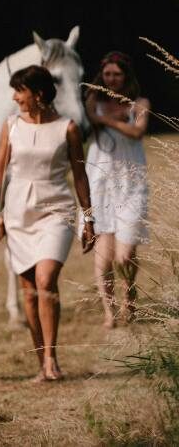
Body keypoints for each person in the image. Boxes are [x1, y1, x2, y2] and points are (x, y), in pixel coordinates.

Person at [0, 65, 95, 382]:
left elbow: (80, 176)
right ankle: (42, 363)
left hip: (56, 211)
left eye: (19, 91)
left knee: (45, 279)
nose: (14, 98)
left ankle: (52, 358)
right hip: (18, 213)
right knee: (28, 292)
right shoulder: (11, 126)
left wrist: (88, 217)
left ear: (38, 94)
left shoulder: (68, 128)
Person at [85, 51, 151, 327]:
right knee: (104, 256)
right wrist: (109, 117)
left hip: (131, 183)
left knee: (125, 255)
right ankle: (109, 311)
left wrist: (108, 121)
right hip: (101, 182)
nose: (111, 79)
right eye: (107, 74)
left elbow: (137, 132)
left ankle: (129, 294)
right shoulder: (93, 100)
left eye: (117, 74)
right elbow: (89, 118)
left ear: (126, 76)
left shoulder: (140, 103)